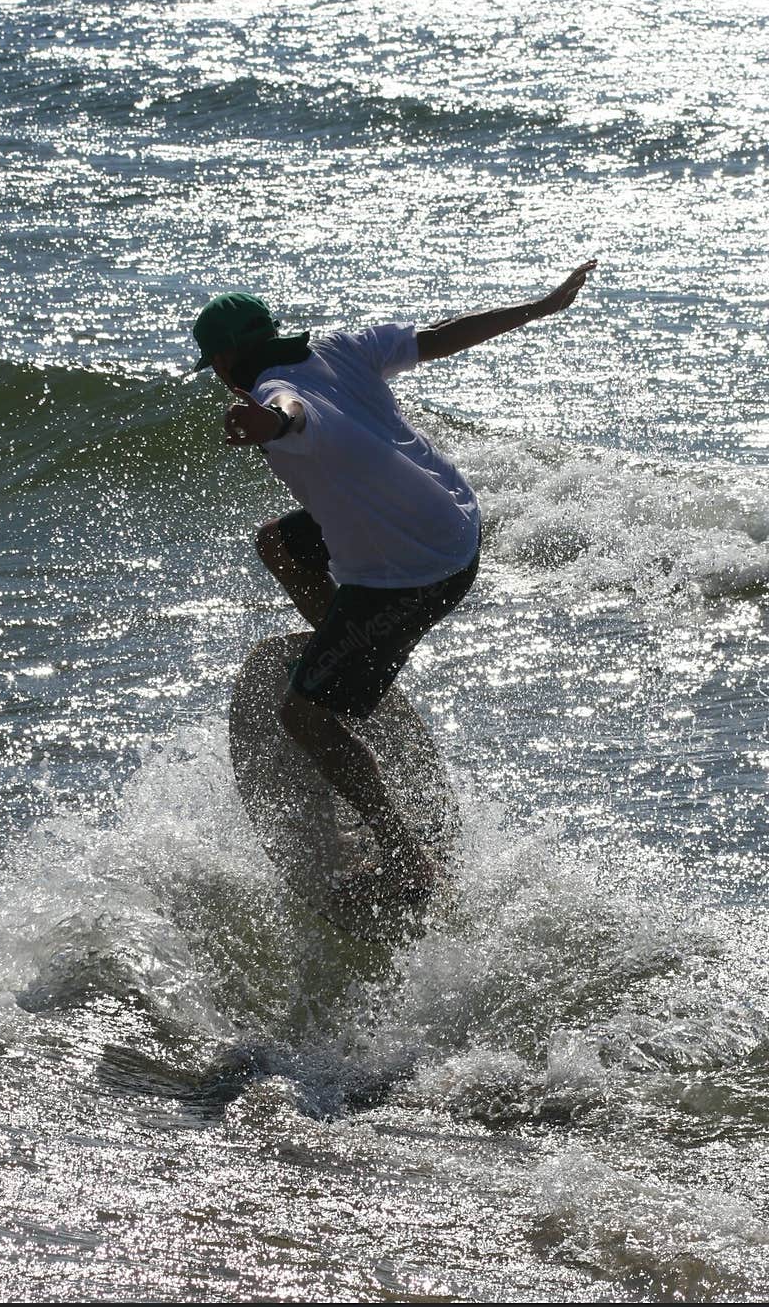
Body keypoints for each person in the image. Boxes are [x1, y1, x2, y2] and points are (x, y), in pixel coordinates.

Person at [192, 261, 596, 909]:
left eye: (214, 363)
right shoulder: (342, 348)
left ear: (228, 357)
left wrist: (272, 426)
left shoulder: (270, 389)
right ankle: (354, 660)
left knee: (303, 717)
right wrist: (539, 307)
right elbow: (441, 335)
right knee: (279, 543)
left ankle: (407, 859)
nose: (218, 375)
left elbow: (292, 412)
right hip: (453, 523)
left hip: (410, 572)